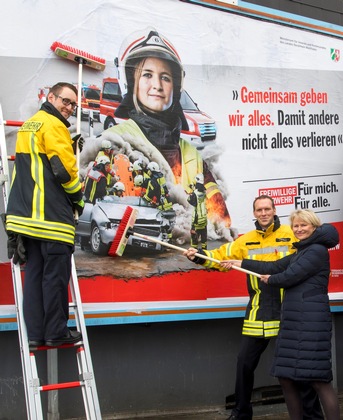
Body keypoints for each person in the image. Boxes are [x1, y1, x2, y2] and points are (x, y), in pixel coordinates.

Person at [184, 196, 323, 420]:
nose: (264, 213)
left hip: (289, 310)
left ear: (275, 210)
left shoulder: (292, 234)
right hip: (258, 310)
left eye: (267, 208)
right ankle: (241, 413)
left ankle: (312, 416)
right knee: (244, 364)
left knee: (298, 368)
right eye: (259, 210)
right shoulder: (245, 240)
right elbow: (220, 256)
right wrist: (198, 256)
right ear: (255, 213)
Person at [99, 27, 231, 234]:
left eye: (165, 78)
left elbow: (220, 217)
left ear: (176, 87)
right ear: (131, 83)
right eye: (147, 75)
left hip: (187, 253)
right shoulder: (115, 141)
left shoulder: (190, 153)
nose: (157, 85)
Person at [220, 210, 341, 420]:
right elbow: (274, 266)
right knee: (286, 378)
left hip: (310, 323)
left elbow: (286, 276)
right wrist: (240, 262)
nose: (299, 229)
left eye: (304, 225)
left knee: (318, 379)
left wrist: (270, 279)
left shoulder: (317, 251)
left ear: (314, 227)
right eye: (296, 226)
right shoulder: (301, 251)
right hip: (295, 322)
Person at [4, 82, 85, 347]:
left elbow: (40, 165)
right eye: (65, 100)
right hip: (51, 219)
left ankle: (36, 335)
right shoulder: (55, 125)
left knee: (35, 277)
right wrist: (78, 199)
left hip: (27, 221)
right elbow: (63, 171)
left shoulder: (30, 125)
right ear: (51, 97)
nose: (69, 108)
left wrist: (68, 142)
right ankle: (56, 332)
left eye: (73, 104)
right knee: (55, 279)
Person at [188, 174, 207, 250]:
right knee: (204, 239)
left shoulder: (194, 194)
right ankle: (205, 253)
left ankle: (194, 254)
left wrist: (191, 191)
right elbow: (199, 195)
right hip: (204, 220)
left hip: (196, 220)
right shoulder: (204, 192)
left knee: (194, 240)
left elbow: (190, 200)